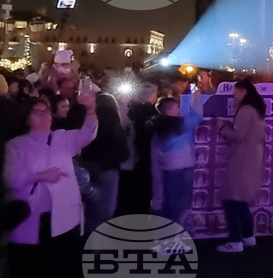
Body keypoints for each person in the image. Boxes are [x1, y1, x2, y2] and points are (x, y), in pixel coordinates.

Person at [4, 94, 98, 278]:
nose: (43, 116)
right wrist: (41, 176)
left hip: (64, 216)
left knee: (64, 266)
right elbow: (10, 179)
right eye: (37, 112)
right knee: (31, 266)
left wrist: (91, 110)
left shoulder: (62, 138)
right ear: (27, 118)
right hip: (32, 217)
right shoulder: (16, 145)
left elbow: (88, 133)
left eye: (46, 111)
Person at [216, 79, 267, 253]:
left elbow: (237, 135)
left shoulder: (245, 110)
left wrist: (221, 127)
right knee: (240, 199)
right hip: (252, 158)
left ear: (244, 91)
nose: (233, 97)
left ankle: (235, 240)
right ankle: (248, 236)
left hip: (242, 158)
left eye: (235, 93)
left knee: (231, 198)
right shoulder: (256, 109)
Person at [150, 90, 204, 224]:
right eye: (177, 107)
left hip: (168, 170)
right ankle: (174, 236)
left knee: (170, 203)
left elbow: (155, 157)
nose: (180, 110)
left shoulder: (158, 127)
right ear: (169, 110)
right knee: (179, 206)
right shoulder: (177, 125)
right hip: (181, 169)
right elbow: (197, 116)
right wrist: (196, 98)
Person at [80, 90, 128, 234]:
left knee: (87, 208)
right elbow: (123, 153)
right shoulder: (116, 128)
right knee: (104, 211)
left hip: (87, 168)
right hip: (108, 171)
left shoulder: (88, 124)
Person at [117, 82, 159, 215]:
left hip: (132, 160)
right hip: (144, 157)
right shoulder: (150, 113)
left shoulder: (130, 110)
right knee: (143, 192)